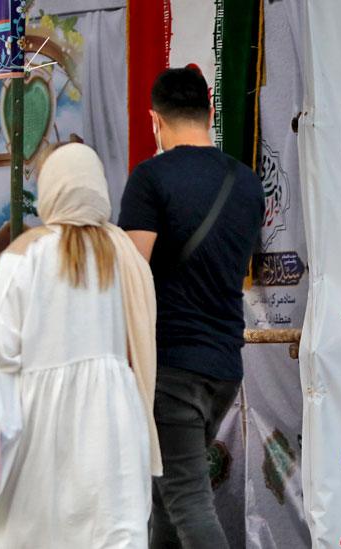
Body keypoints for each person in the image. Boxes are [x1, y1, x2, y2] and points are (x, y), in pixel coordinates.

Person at [0, 143, 162, 548]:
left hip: (41, 417)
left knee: (30, 529)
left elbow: (4, 344)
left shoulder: (27, 252)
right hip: (115, 418)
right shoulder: (123, 254)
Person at [118, 67, 264, 548]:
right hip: (224, 365)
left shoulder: (150, 179)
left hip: (172, 367)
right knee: (167, 498)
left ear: (153, 120)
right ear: (211, 113)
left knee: (188, 501)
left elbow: (133, 278)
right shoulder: (246, 184)